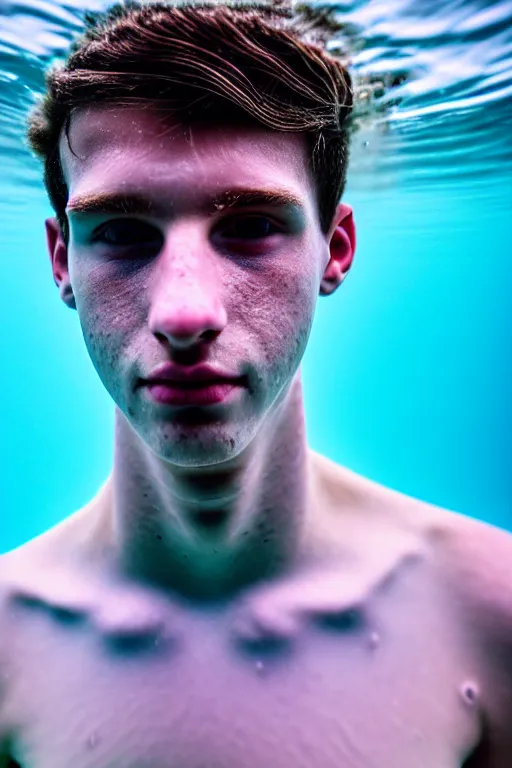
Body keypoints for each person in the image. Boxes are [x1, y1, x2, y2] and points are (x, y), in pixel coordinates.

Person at [0, 1, 511, 765]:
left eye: (250, 227)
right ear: (62, 261)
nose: (184, 312)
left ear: (335, 248)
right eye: (121, 233)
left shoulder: (491, 611)